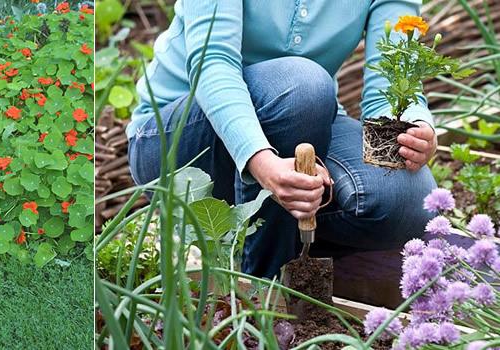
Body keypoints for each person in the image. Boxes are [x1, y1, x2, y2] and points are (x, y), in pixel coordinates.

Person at [126, 1, 437, 278]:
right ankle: (260, 282)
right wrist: (262, 163)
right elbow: (213, 62)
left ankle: (291, 253)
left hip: (306, 114)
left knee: (409, 197)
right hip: (179, 140)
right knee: (303, 87)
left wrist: (414, 127)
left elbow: (391, 78)